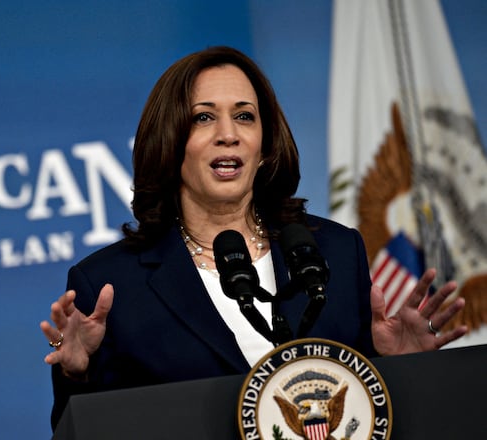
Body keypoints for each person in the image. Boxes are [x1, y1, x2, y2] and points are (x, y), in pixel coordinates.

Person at [38, 46, 468, 430]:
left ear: (264, 145)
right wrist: (77, 373)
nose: (229, 133)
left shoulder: (335, 251)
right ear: (170, 141)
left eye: (245, 115)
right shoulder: (111, 283)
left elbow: (361, 411)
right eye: (203, 117)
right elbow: (88, 427)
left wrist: (399, 370)